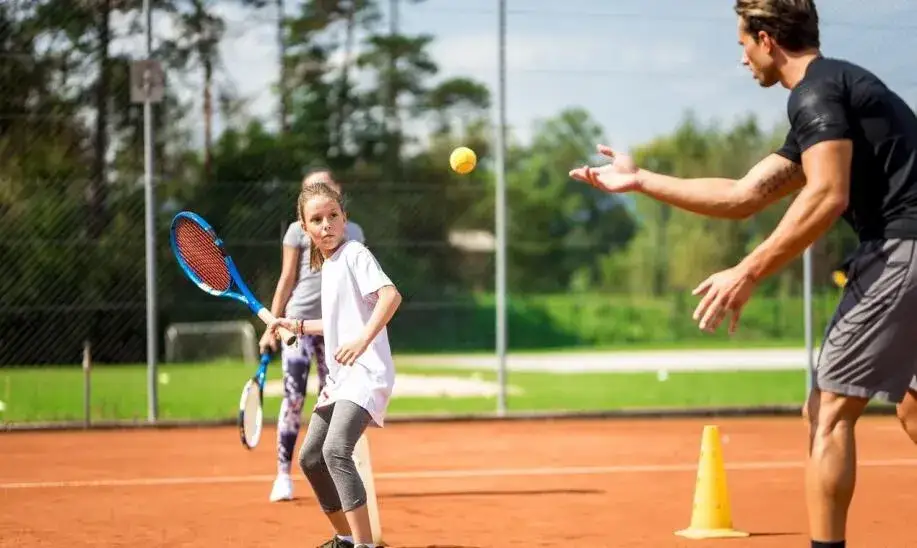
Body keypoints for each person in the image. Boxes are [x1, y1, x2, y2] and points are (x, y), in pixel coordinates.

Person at [569, 1, 917, 546]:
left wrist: (747, 270)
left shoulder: (815, 93)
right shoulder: (835, 90)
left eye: (741, 45)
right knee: (914, 409)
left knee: (827, 410)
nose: (742, 58)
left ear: (766, 39)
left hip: (903, 249)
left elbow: (828, 193)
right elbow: (743, 196)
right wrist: (640, 181)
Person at [267, 181, 401, 548]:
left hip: (367, 372)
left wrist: (362, 340)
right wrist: (293, 324)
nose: (326, 224)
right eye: (317, 219)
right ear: (303, 228)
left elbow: (391, 297)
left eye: (333, 216)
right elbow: (337, 324)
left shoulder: (355, 253)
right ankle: (344, 537)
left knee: (335, 450)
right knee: (311, 458)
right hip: (343, 378)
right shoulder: (329, 266)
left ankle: (364, 545)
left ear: (344, 219)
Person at [260, 168, 366, 503]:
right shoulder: (296, 232)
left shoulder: (353, 232)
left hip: (335, 328)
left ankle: (334, 472)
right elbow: (286, 277)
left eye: (325, 186)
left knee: (333, 400)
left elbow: (358, 282)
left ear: (338, 191)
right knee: (293, 397)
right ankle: (282, 475)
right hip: (297, 324)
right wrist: (272, 324)